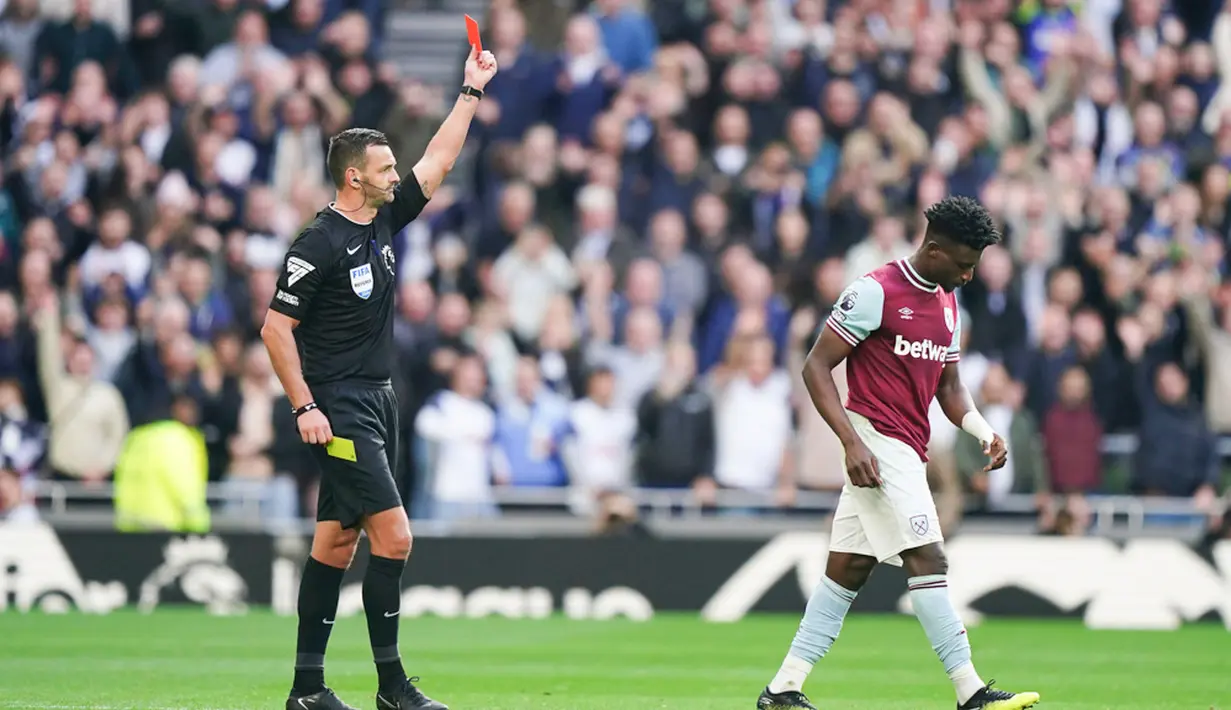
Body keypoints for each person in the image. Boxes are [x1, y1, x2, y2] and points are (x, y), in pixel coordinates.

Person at [261, 47, 498, 710]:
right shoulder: (317, 242)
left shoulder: (386, 217)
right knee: (395, 536)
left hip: (378, 401)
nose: (398, 174)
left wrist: (469, 92)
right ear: (352, 180)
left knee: (336, 544)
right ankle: (392, 686)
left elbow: (441, 160)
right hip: (336, 409)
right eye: (385, 167)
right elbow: (275, 330)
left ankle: (307, 691)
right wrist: (305, 406)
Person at [758, 197, 1040, 710]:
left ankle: (783, 688)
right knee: (928, 557)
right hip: (879, 444)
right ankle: (970, 692)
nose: (969, 275)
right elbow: (815, 367)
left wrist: (982, 429)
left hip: (911, 443)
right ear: (933, 250)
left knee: (847, 570)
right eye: (962, 264)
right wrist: (851, 442)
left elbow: (949, 386)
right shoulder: (875, 292)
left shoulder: (950, 301)